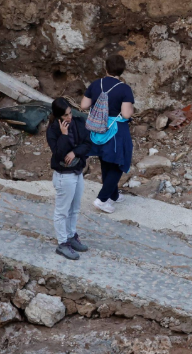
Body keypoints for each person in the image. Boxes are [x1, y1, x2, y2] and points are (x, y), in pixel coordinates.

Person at [82, 54, 135, 214]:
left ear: (106, 68)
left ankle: (114, 194)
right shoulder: (124, 88)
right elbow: (126, 114)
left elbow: (84, 105)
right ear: (122, 70)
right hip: (116, 131)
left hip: (98, 129)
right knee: (118, 164)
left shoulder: (96, 84)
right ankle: (102, 199)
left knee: (106, 161)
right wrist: (132, 109)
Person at [47, 97, 91, 260]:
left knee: (75, 208)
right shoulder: (53, 131)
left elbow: (87, 143)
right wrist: (64, 135)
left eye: (70, 113)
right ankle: (62, 242)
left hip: (77, 171)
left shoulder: (78, 122)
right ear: (58, 116)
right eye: (65, 116)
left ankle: (71, 236)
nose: (69, 117)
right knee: (62, 211)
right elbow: (58, 154)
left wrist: (74, 152)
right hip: (63, 176)